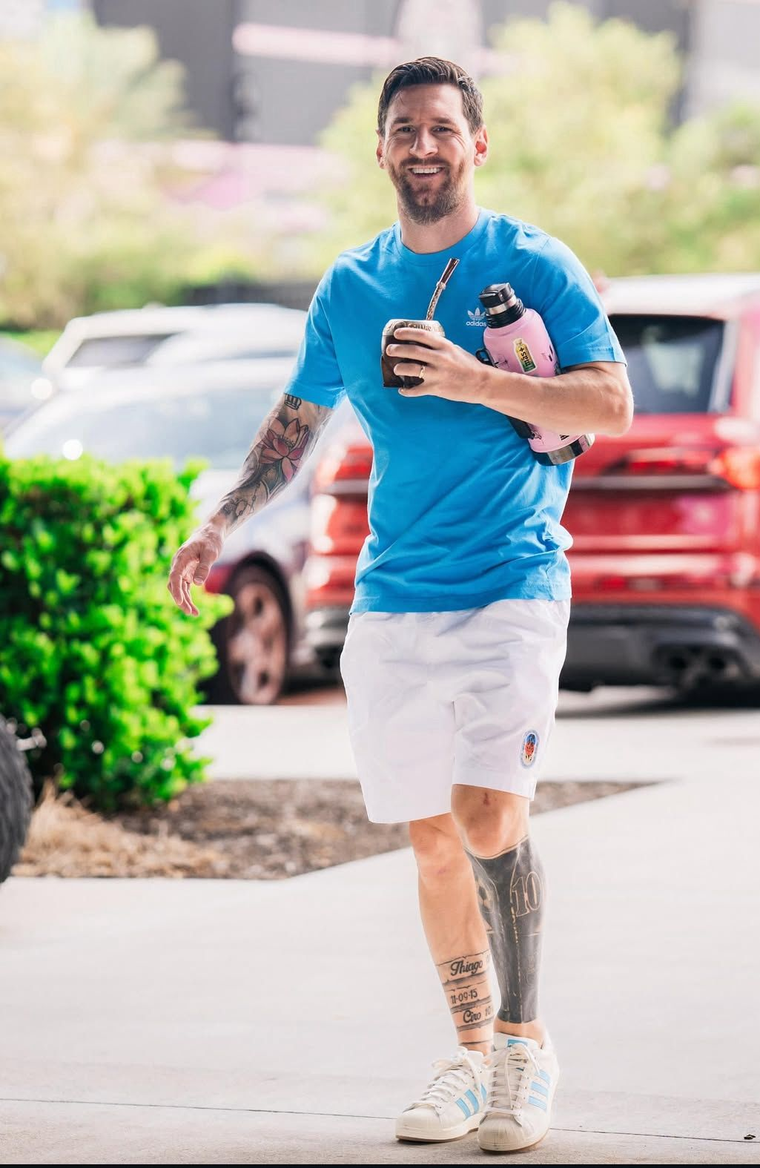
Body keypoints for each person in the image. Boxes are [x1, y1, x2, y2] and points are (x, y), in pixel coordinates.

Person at [168, 56, 633, 1154]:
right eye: (405, 130)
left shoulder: (531, 264)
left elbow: (608, 401)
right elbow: (296, 423)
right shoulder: (350, 286)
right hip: (393, 600)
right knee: (431, 838)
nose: (424, 146)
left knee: (489, 815)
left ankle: (523, 1044)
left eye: (442, 128)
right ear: (380, 150)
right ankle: (468, 1055)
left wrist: (474, 377)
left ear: (477, 145)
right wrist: (221, 520)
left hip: (513, 580)